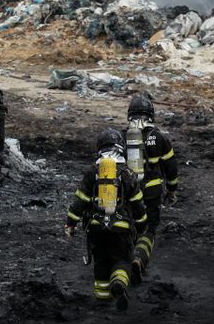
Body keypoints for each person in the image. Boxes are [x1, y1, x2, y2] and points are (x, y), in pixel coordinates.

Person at [65, 128, 148, 311]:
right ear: (121, 147)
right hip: (121, 228)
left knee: (101, 262)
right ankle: (119, 283)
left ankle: (103, 301)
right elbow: (138, 204)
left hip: (96, 228)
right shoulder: (127, 173)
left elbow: (80, 200)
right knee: (121, 261)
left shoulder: (93, 171)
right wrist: (142, 226)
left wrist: (70, 223)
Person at [124, 94, 178, 281]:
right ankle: (139, 258)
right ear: (151, 115)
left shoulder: (124, 136)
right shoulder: (160, 138)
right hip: (152, 191)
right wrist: (172, 189)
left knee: (130, 223)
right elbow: (171, 167)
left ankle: (124, 260)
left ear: (130, 115)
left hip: (128, 191)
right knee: (150, 228)